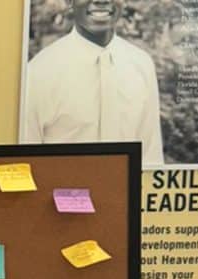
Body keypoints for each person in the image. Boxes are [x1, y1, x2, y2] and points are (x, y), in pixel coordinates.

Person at [21, 0, 164, 165]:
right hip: (62, 189)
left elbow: (151, 158)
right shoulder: (39, 72)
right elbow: (27, 161)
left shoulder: (142, 65)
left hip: (128, 189)